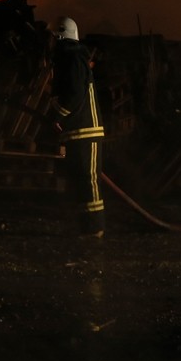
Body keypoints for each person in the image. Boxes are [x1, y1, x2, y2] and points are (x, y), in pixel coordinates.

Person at [49, 16, 106, 236]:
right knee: (81, 181)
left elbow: (74, 95)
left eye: (53, 37)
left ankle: (95, 229)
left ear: (60, 36)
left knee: (89, 181)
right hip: (77, 132)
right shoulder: (68, 59)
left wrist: (58, 115)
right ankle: (85, 226)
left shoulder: (73, 59)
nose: (50, 42)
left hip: (86, 130)